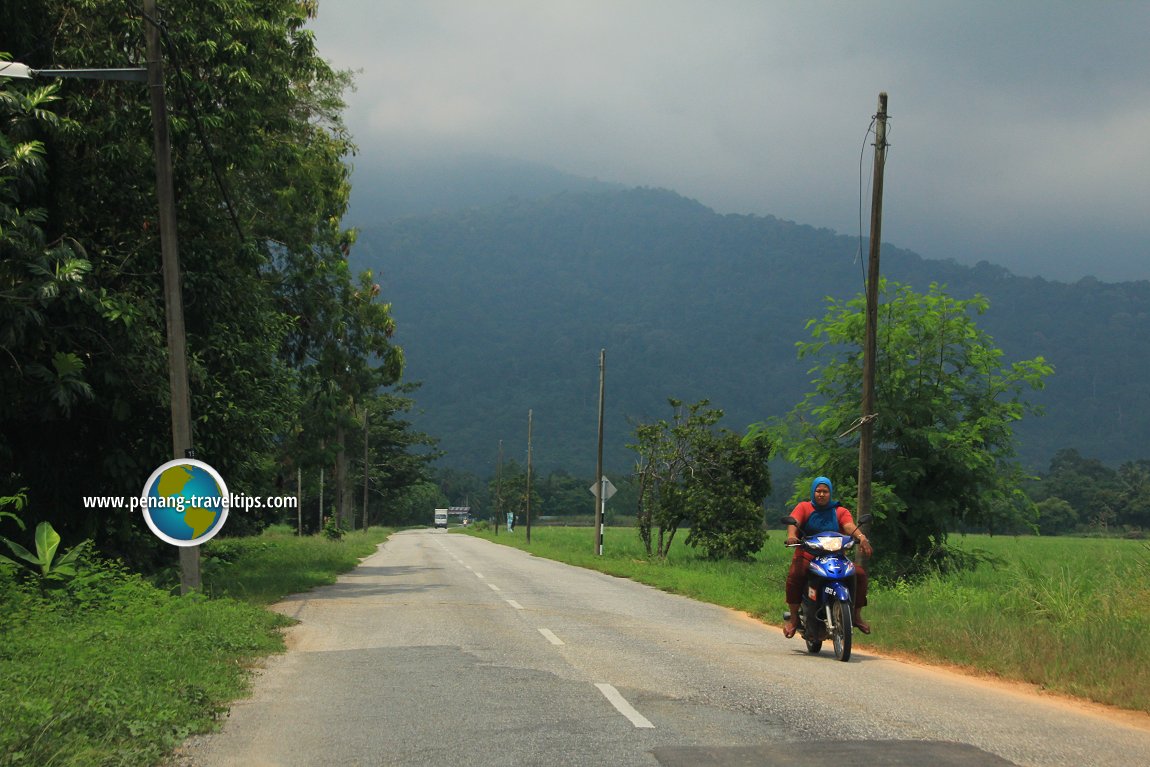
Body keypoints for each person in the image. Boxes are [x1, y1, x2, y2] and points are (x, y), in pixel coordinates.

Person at [782, 476, 872, 638]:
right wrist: (791, 536)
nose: (821, 494)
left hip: (835, 556)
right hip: (808, 554)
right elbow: (793, 522)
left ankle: (856, 616)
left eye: (825, 491)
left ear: (830, 493)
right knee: (796, 575)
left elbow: (849, 526)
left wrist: (861, 536)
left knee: (859, 574)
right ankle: (794, 618)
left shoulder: (839, 511)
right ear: (813, 492)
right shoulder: (804, 507)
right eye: (818, 491)